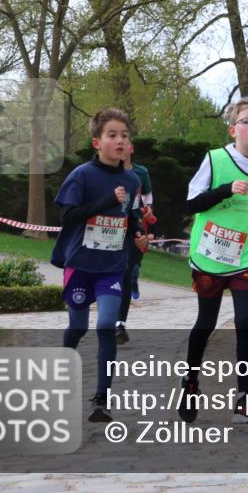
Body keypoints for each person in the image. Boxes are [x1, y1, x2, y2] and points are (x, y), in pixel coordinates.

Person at [178, 96, 248, 425]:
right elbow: (192, 204)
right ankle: (190, 382)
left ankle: (243, 398)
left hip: (247, 252)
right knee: (205, 323)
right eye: (246, 121)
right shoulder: (214, 158)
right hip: (210, 252)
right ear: (232, 128)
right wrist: (224, 189)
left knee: (244, 322)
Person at [52, 108, 145, 422]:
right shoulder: (81, 176)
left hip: (111, 267)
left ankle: (101, 399)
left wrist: (140, 235)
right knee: (78, 327)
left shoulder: (132, 180)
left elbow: (130, 218)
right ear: (97, 142)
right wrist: (106, 201)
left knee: (106, 326)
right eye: (112, 135)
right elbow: (67, 218)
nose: (120, 141)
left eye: (124, 135)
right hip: (80, 264)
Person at [115, 142, 155, 345]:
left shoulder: (139, 173)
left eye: (125, 139)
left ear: (131, 148)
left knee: (127, 272)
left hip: (133, 227)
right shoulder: (101, 172)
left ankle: (119, 323)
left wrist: (147, 212)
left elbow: (146, 199)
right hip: (109, 228)